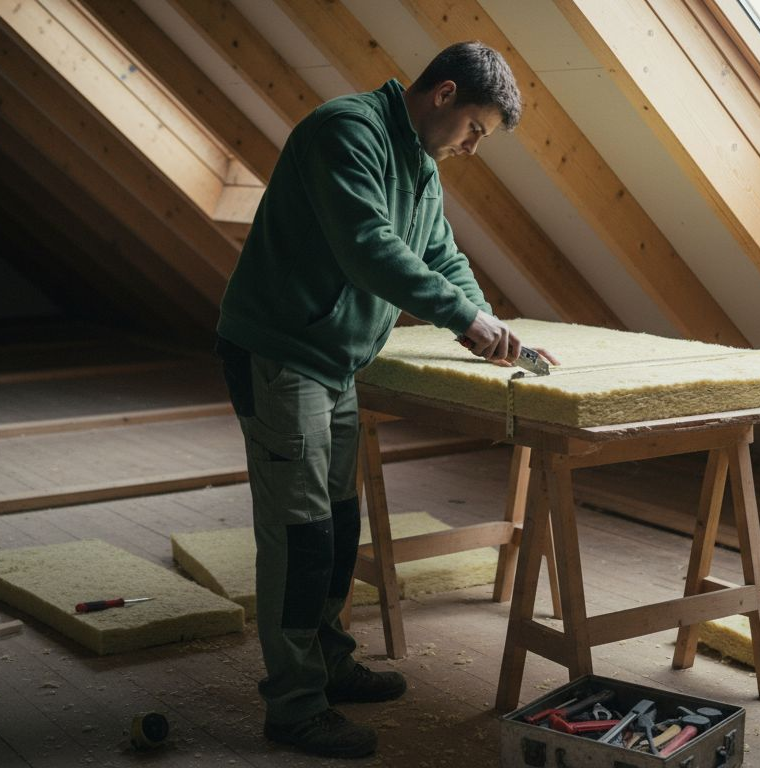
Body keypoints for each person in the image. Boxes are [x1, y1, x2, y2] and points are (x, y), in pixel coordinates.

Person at [214, 41, 553, 759]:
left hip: (334, 363)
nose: (470, 147)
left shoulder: (421, 166)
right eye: (474, 130)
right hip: (282, 354)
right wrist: (466, 320)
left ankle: (328, 662)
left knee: (337, 524)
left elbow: (440, 256)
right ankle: (294, 708)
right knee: (300, 534)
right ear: (444, 94)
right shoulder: (347, 131)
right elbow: (368, 246)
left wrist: (494, 329)